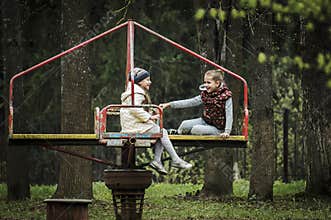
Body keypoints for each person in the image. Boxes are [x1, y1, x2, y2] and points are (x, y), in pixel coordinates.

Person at [120, 67, 192, 175]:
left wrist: (148, 114)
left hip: (133, 123)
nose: (150, 82)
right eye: (147, 80)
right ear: (139, 81)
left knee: (160, 134)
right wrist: (149, 117)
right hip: (133, 126)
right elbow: (134, 108)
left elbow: (135, 109)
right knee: (162, 133)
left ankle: (157, 161)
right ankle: (175, 159)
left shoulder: (134, 91)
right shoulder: (136, 93)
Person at [160, 69, 233, 137]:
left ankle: (193, 132)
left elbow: (229, 115)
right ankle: (178, 133)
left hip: (218, 128)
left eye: (209, 83)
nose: (206, 85)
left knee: (196, 129)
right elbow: (191, 102)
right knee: (184, 124)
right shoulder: (206, 94)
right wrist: (169, 104)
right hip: (205, 121)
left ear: (217, 83)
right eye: (205, 82)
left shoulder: (225, 96)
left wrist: (227, 131)